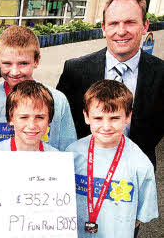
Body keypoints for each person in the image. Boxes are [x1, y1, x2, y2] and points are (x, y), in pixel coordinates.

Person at [56, 0, 164, 169]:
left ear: (145, 26)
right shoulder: (74, 71)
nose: (121, 31)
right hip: (84, 171)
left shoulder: (161, 74)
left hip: (136, 173)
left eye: (130, 22)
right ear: (104, 28)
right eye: (114, 23)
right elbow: (61, 122)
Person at [66, 80, 158, 237]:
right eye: (98, 118)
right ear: (86, 116)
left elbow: (141, 216)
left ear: (128, 116)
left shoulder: (140, 163)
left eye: (114, 118)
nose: (106, 126)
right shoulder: (72, 154)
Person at [0, 25, 76, 151]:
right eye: (7, 63)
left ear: (36, 61)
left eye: (23, 63)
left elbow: (67, 152)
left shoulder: (58, 100)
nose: (15, 71)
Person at [0, 80, 58, 152]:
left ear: (49, 120)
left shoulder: (57, 157)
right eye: (24, 117)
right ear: (11, 118)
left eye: (39, 117)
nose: (32, 126)